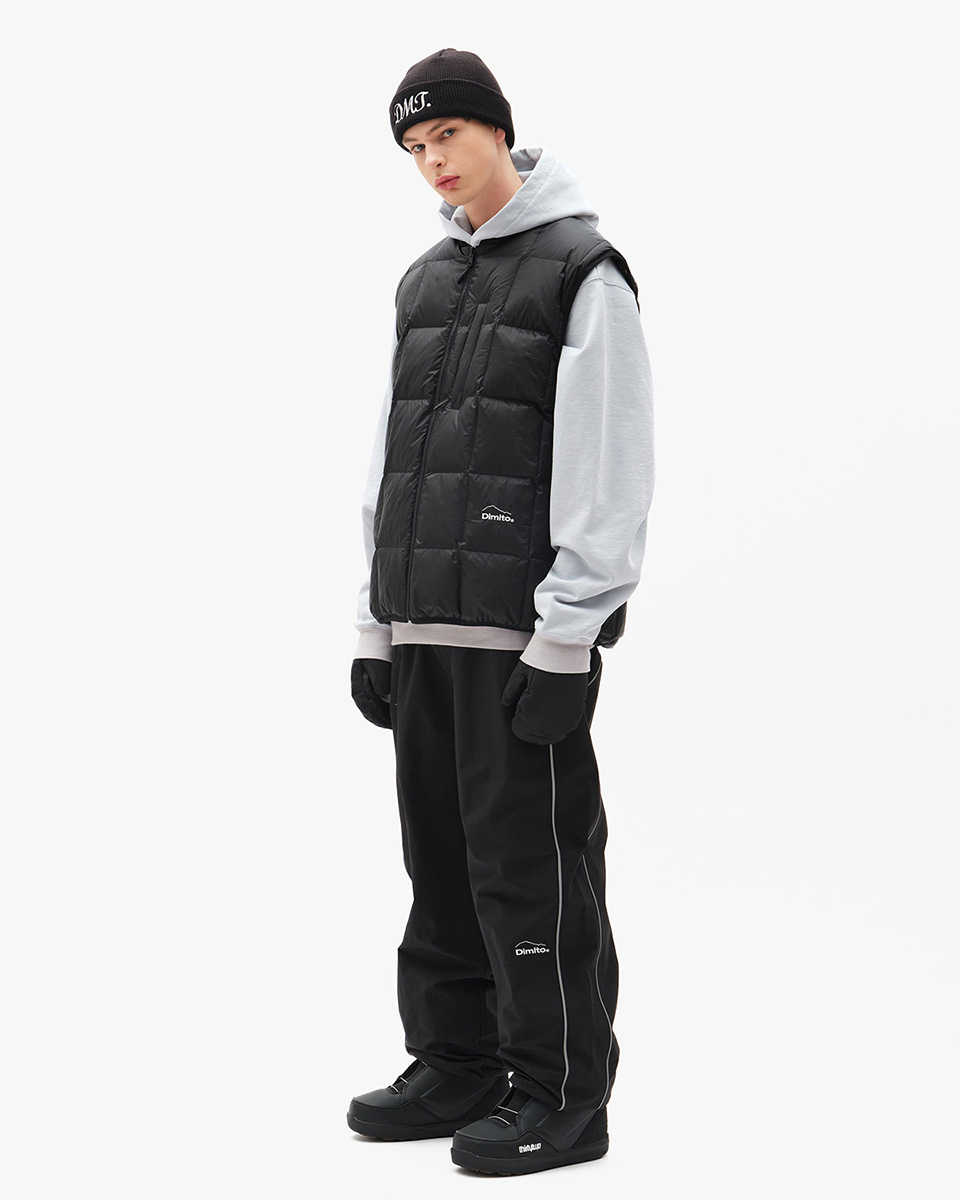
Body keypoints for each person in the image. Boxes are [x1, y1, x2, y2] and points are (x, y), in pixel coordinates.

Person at [346, 48, 655, 1176]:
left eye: (447, 137)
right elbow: (392, 457)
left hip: (526, 640)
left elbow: (611, 462)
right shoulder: (424, 282)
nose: (433, 162)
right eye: (414, 148)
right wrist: (376, 622)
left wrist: (570, 632)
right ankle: (460, 1062)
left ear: (496, 129)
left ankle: (562, 1094)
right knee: (439, 866)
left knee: (530, 870)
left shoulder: (582, 272)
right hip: (424, 627)